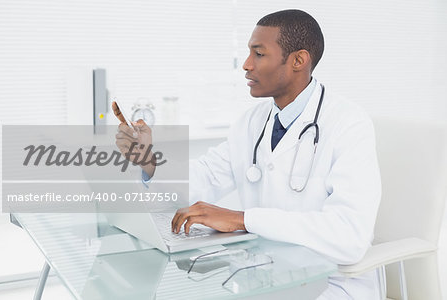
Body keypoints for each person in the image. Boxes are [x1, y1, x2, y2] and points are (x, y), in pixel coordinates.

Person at [113, 9, 382, 300]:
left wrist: (243, 219)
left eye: (259, 54)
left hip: (332, 284)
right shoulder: (252, 123)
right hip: (265, 276)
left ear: (298, 61)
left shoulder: (348, 124)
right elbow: (205, 177)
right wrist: (149, 162)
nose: (246, 65)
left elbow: (349, 236)